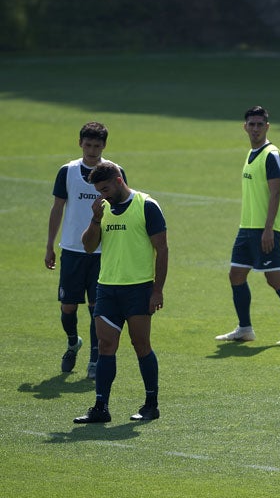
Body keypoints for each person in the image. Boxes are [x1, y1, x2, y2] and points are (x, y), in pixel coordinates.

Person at [73, 162, 168, 423]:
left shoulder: (146, 205)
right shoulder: (102, 210)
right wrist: (94, 219)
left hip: (138, 289)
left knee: (141, 345)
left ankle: (151, 404)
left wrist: (157, 290)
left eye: (105, 189)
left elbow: (162, 249)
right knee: (105, 346)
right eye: (98, 191)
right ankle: (101, 407)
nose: (103, 195)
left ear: (118, 180)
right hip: (107, 288)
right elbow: (89, 247)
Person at [215, 106, 280, 345]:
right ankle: (244, 328)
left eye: (260, 124)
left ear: (267, 127)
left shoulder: (271, 155)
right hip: (246, 228)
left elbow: (275, 192)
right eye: (252, 124)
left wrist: (269, 229)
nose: (255, 128)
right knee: (236, 275)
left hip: (264, 229)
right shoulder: (251, 154)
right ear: (245, 127)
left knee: (274, 279)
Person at [45, 122, 127, 379]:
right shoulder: (67, 171)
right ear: (80, 143)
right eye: (88, 144)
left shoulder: (115, 172)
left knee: (96, 308)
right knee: (68, 307)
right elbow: (57, 208)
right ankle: (72, 342)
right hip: (71, 250)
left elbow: (124, 207)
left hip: (103, 251)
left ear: (104, 145)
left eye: (97, 145)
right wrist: (50, 245)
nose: (92, 150)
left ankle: (94, 358)